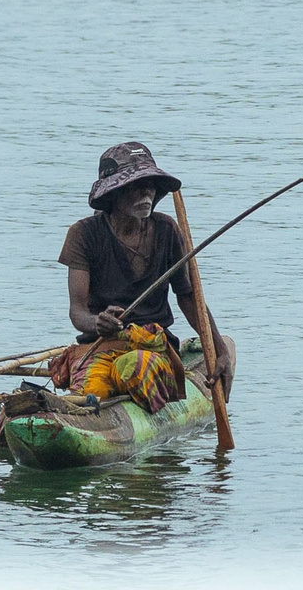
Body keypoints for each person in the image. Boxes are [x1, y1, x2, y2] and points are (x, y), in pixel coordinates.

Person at [53, 142, 230, 409]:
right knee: (90, 392)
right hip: (100, 345)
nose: (145, 192)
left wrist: (219, 349)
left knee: (135, 368)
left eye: (149, 184)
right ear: (113, 193)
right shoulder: (83, 234)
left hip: (151, 347)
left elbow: (188, 296)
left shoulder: (166, 230)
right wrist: (97, 323)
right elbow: (77, 312)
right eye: (135, 185)